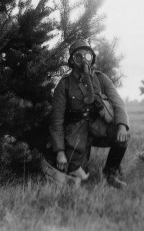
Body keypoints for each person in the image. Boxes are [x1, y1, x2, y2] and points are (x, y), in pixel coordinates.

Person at [49, 39, 130, 188]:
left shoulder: (101, 78)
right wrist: (60, 151)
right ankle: (75, 165)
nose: (83, 61)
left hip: (97, 126)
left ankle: (110, 173)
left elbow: (118, 103)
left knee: (122, 138)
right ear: (72, 61)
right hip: (76, 131)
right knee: (81, 175)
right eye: (78, 57)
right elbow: (56, 120)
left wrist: (122, 126)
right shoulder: (64, 84)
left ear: (92, 59)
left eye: (88, 56)